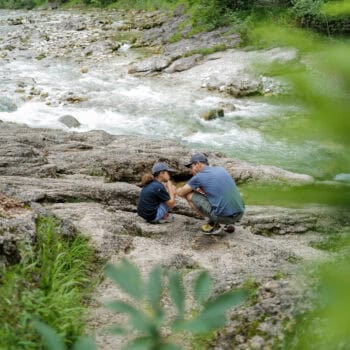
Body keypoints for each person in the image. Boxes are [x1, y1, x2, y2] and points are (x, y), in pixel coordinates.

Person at [177, 153, 245, 234]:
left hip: (224, 217)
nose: (191, 171)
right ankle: (229, 223)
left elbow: (181, 193)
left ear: (198, 164)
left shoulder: (199, 177)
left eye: (191, 167)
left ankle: (214, 225)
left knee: (188, 194)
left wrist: (175, 189)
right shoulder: (221, 169)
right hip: (240, 213)